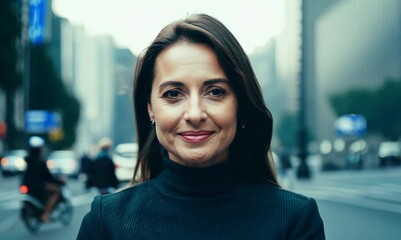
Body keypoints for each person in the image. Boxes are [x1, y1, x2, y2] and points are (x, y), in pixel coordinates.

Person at [77, 13, 325, 239]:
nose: (195, 114)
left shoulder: (295, 220)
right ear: (150, 107)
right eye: (173, 93)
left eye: (215, 92)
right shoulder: (106, 222)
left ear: (240, 104)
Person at [22, 136, 63, 222]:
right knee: (56, 191)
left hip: (28, 185)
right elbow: (49, 177)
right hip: (40, 186)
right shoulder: (41, 162)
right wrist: (59, 181)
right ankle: (46, 213)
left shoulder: (28, 161)